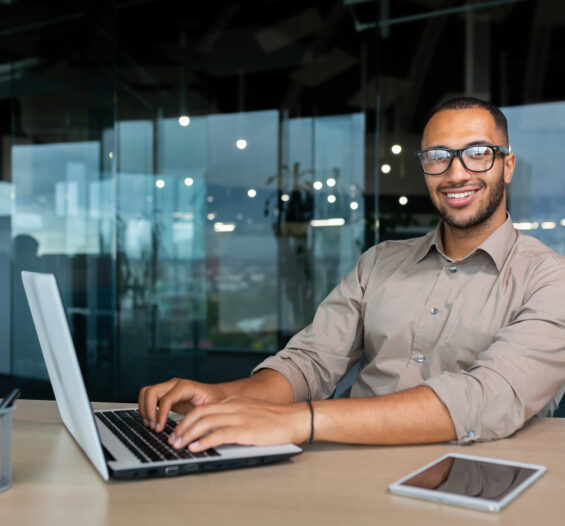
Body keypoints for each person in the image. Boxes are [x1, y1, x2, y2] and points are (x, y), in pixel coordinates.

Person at [138, 97, 565, 453]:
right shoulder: (379, 262)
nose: (456, 173)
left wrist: (299, 421)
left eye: (477, 154)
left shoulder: (550, 280)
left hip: (474, 482)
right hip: (345, 467)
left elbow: (485, 398)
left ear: (507, 165)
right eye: (438, 157)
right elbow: (312, 361)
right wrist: (224, 396)